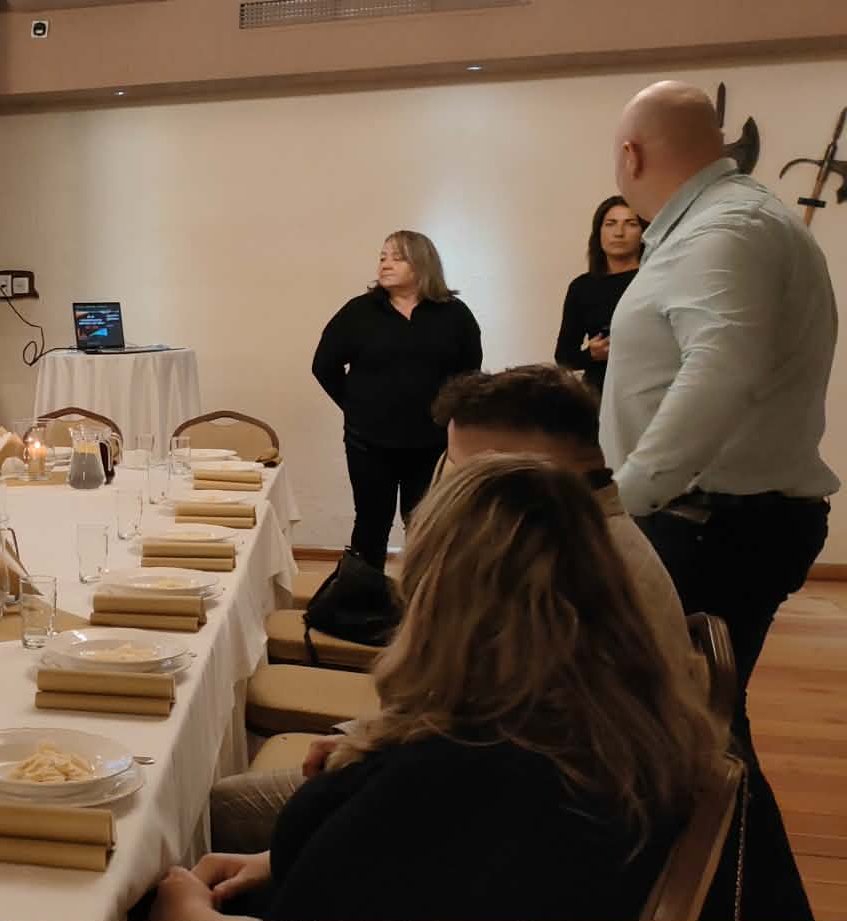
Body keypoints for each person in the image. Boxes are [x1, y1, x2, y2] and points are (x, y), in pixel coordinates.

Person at [155, 455, 722, 921]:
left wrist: (186, 912)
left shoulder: (456, 779)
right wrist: (280, 859)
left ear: (442, 601)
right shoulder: (612, 717)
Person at [206, 365, 702, 856]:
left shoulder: (568, 569)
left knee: (223, 811)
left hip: (511, 823)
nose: (445, 492)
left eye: (464, 475)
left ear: (524, 475)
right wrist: (368, 738)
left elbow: (489, 754)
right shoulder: (580, 539)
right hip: (486, 786)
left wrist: (369, 764)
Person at [605, 79, 837, 921]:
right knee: (696, 737)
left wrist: (616, 503)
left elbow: (717, 375)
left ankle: (745, 903)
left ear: (631, 155)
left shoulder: (726, 230)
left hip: (706, 525)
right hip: (711, 518)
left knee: (695, 743)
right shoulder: (726, 222)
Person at [310, 231, 483, 568]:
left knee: (425, 526)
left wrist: (453, 423)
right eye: (382, 257)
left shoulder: (454, 314)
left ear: (422, 263)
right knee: (371, 523)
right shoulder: (359, 312)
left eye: (397, 257)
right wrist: (356, 407)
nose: (385, 264)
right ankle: (366, 596)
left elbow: (468, 377)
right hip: (369, 442)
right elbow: (324, 365)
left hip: (431, 442)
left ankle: (421, 596)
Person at [553, 196, 644, 397]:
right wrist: (592, 354)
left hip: (650, 387)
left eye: (630, 224)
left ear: (644, 232)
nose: (619, 233)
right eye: (611, 224)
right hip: (600, 393)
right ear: (599, 232)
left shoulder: (655, 278)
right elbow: (564, 357)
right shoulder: (582, 287)